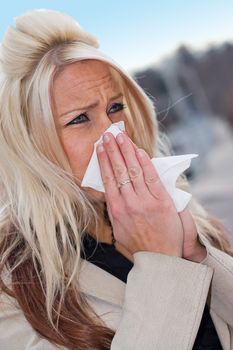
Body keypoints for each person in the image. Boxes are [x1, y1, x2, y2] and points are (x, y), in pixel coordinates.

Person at [0, 9, 232, 350]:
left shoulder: (185, 213)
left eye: (115, 107)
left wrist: (194, 252)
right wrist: (160, 263)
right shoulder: (14, 284)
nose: (114, 133)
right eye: (80, 118)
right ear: (34, 147)